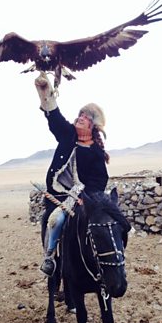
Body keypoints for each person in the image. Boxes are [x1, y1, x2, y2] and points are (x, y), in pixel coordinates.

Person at [34, 72, 109, 277]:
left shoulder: (96, 152)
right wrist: (46, 95)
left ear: (93, 126)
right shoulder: (67, 136)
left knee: (103, 226)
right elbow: (56, 120)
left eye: (85, 118)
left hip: (81, 198)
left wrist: (86, 199)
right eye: (80, 115)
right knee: (55, 220)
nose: (80, 118)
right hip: (57, 195)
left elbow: (100, 180)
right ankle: (49, 257)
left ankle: (102, 260)